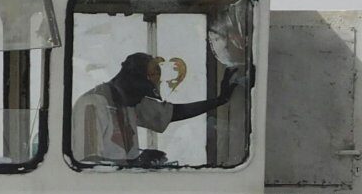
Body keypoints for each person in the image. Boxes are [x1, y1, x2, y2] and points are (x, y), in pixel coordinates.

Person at [72, 52, 246, 166]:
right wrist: (137, 162)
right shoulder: (92, 105)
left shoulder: (130, 100)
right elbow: (87, 163)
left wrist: (220, 100)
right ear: (128, 81)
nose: (143, 100)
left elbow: (171, 113)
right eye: (142, 93)